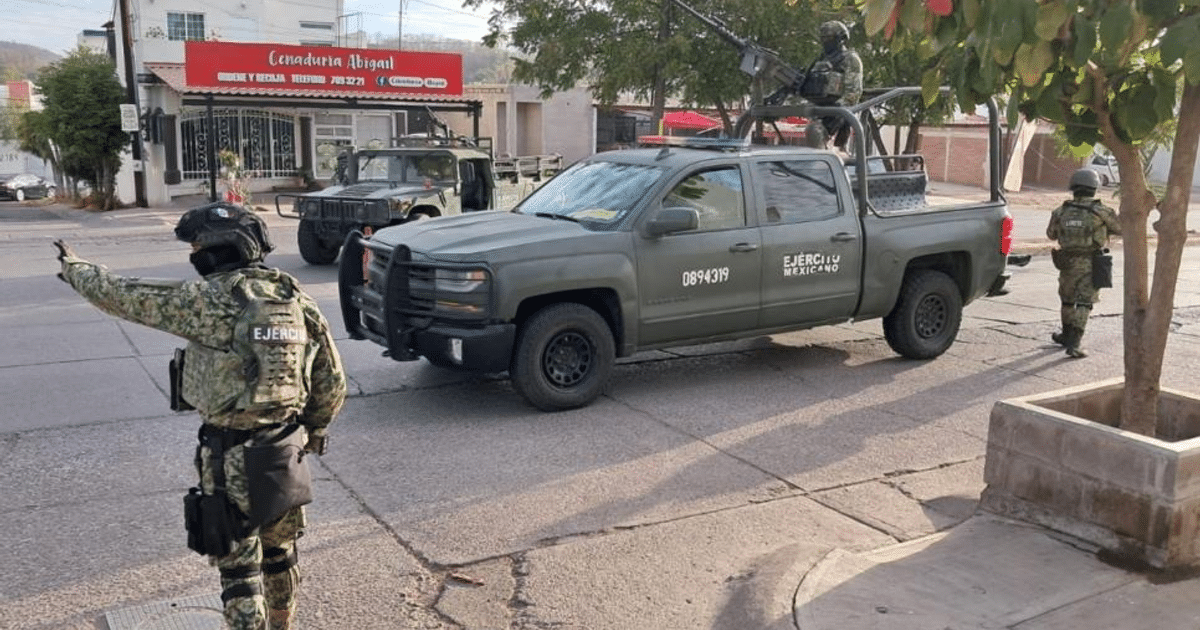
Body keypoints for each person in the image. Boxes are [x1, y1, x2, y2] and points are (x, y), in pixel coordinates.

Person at [54, 201, 347, 630]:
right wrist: (316, 431)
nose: (193, 254)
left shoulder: (211, 301)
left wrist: (76, 268)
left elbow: (127, 295)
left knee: (239, 566)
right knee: (280, 551)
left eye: (196, 245)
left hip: (230, 454)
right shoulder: (294, 298)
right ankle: (284, 622)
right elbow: (332, 381)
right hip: (287, 449)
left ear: (219, 248)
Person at [1046, 168, 1121, 358]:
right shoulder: (1102, 211)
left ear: (1073, 188)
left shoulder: (1060, 211)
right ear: (1095, 188)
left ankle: (1066, 335)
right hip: (1090, 262)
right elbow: (1120, 229)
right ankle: (1075, 344)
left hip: (1066, 262)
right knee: (1084, 302)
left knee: (1067, 299)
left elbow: (1051, 234)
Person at [802, 20, 863, 150]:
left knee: (815, 131)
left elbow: (853, 93)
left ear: (840, 38)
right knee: (811, 132)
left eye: (829, 37)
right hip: (819, 108)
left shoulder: (850, 59)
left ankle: (823, 166)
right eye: (823, 38)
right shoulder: (820, 59)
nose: (825, 41)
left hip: (838, 111)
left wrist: (836, 110)